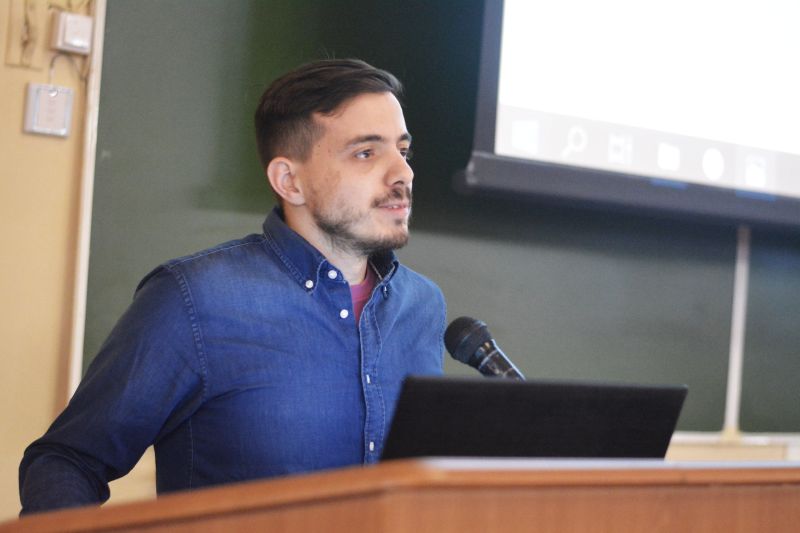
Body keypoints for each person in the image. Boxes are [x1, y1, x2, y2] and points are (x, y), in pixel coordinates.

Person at [19, 59, 446, 514]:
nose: (403, 173)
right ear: (290, 181)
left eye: (403, 151)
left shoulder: (423, 307)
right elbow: (67, 461)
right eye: (366, 153)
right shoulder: (194, 300)